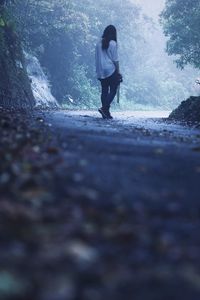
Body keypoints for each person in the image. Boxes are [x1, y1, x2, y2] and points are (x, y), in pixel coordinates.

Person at [95, 25, 122, 119]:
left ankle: (106, 112)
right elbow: (115, 59)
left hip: (101, 70)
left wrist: (98, 71)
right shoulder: (113, 43)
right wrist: (118, 72)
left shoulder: (98, 43)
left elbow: (97, 58)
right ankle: (104, 108)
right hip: (111, 69)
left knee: (104, 91)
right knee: (113, 90)